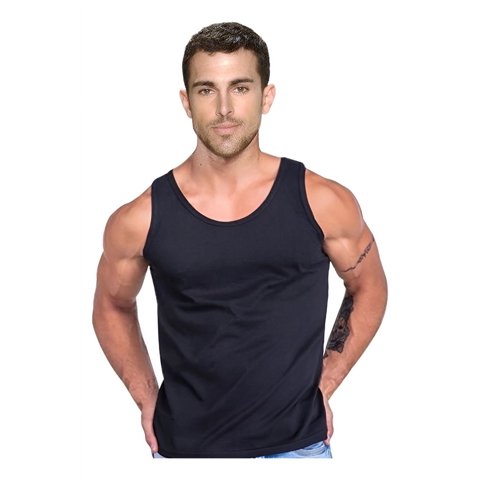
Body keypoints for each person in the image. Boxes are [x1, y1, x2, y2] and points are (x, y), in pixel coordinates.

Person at [92, 22, 387, 459]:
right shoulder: (140, 218)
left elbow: (369, 286)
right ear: (186, 102)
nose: (225, 108)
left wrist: (327, 380)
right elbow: (111, 306)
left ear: (266, 97)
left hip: (298, 450)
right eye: (207, 90)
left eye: (241, 88)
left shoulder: (322, 200)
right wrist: (146, 394)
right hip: (185, 452)